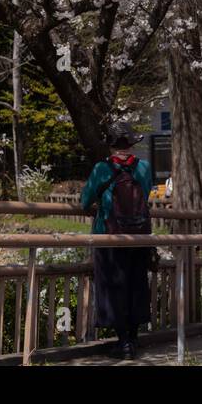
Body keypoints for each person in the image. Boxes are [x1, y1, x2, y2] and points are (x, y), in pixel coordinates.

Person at [80, 120, 154, 360]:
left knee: (113, 287)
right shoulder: (143, 168)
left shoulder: (102, 169)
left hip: (109, 236)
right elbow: (145, 193)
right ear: (131, 143)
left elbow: (84, 201)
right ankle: (133, 338)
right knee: (136, 284)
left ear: (111, 145)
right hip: (139, 236)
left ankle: (122, 342)